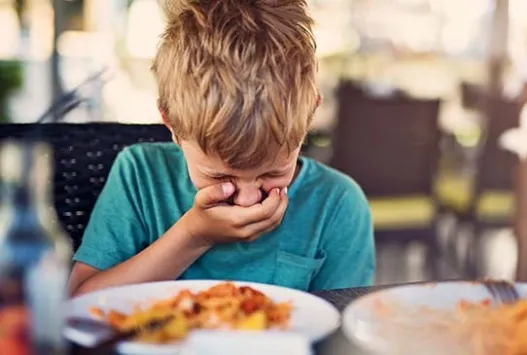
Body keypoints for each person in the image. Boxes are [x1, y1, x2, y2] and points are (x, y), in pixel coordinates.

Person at [67, 0, 375, 296]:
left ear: (310, 116)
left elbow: (339, 337)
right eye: (219, 177)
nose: (248, 199)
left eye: (273, 171)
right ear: (171, 123)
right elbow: (81, 303)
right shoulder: (139, 176)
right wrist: (193, 235)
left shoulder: (337, 206)